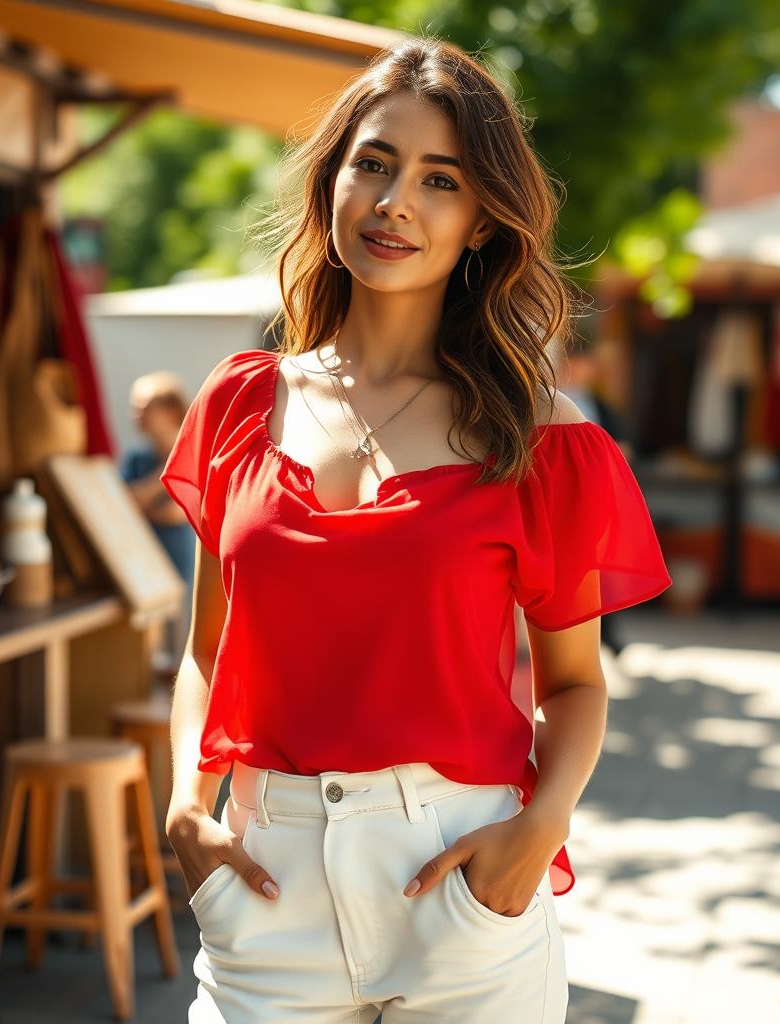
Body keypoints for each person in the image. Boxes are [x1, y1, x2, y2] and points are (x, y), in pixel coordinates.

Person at [160, 36, 672, 1024]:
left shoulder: (537, 438)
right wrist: (186, 802)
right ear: (333, 184)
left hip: (459, 884)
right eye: (374, 163)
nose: (396, 201)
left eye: (441, 180)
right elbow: (205, 653)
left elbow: (573, 684)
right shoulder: (237, 403)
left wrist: (540, 827)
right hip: (268, 887)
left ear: (480, 222)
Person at [556, 342, 635, 658]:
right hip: (561, 495)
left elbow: (623, 445)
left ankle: (608, 633)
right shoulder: (550, 399)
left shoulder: (599, 404)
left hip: (595, 493)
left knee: (598, 566)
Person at [121, 370, 196, 656]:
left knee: (178, 650)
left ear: (169, 410)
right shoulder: (137, 459)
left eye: (144, 407)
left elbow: (180, 512)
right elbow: (124, 505)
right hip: (142, 572)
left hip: (179, 568)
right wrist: (169, 470)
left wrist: (143, 502)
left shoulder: (194, 452)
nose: (135, 414)